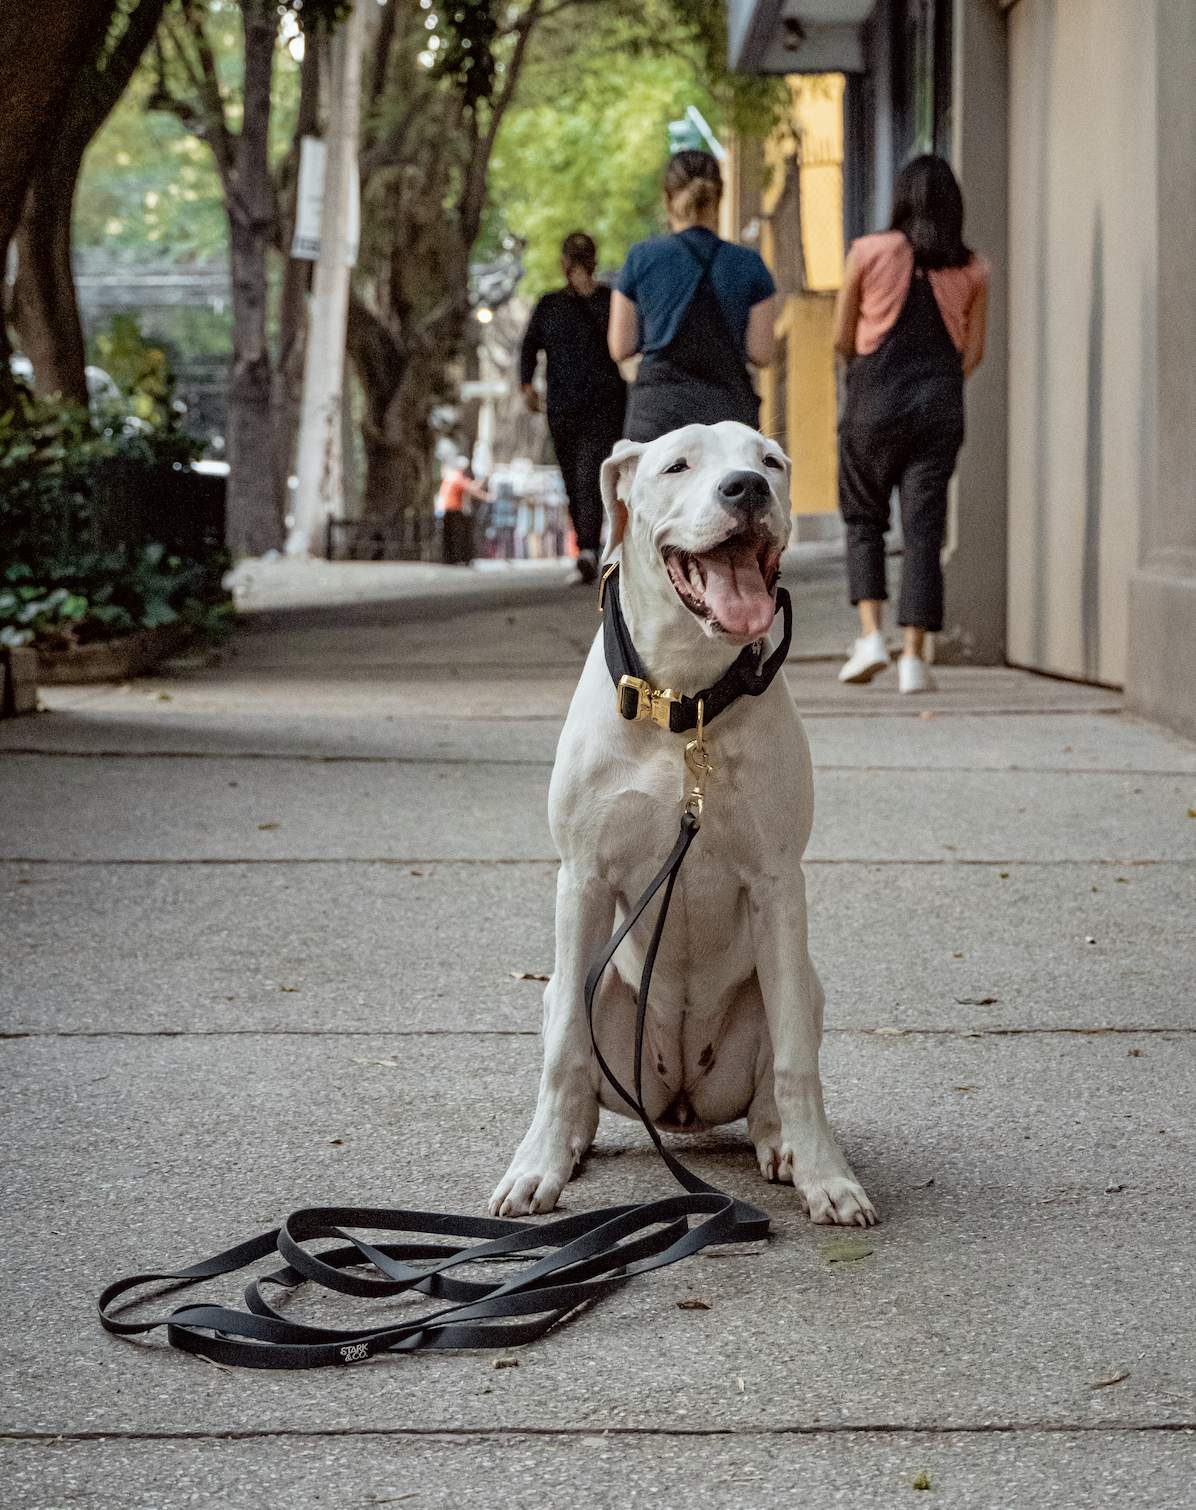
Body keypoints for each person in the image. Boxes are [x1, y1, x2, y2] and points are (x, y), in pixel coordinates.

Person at [833, 154, 989, 694]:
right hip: (939, 405)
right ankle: (915, 658)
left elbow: (841, 336)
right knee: (924, 532)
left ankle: (871, 637)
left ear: (899, 199)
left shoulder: (870, 253)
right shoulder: (972, 268)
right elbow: (972, 353)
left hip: (873, 402)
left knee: (864, 519)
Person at [608, 150, 777, 443]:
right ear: (719, 198)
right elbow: (762, 353)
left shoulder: (641, 257)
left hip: (657, 415)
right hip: (729, 415)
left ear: (668, 199)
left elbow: (621, 347)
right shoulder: (750, 264)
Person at [520, 232, 626, 584]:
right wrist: (527, 385)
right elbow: (528, 347)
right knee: (573, 478)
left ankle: (587, 550)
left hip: (602, 407)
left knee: (588, 474)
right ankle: (588, 547)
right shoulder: (549, 304)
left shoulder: (610, 301)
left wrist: (528, 386)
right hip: (565, 407)